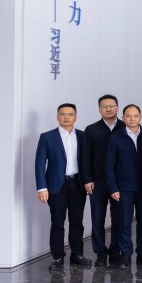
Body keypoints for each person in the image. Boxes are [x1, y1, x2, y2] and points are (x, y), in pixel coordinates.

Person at [35, 103, 90, 271]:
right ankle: (57, 256)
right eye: (63, 114)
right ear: (57, 116)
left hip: (78, 184)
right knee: (57, 222)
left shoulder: (82, 136)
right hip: (56, 186)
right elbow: (39, 163)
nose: (66, 117)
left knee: (77, 221)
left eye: (70, 114)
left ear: (76, 117)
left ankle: (77, 254)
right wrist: (42, 187)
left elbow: (88, 161)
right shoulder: (47, 137)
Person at [80, 94, 125, 267]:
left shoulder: (124, 127)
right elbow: (85, 156)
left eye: (111, 106)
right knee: (97, 220)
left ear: (117, 107)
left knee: (118, 219)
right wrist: (87, 179)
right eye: (104, 106)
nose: (108, 109)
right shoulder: (91, 130)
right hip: (97, 182)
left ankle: (115, 252)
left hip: (120, 182)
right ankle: (100, 253)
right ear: (99, 109)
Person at [106, 104, 142, 270]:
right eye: (128, 116)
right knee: (124, 222)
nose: (132, 119)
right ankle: (125, 254)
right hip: (123, 188)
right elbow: (109, 166)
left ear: (140, 117)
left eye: (135, 115)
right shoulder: (115, 138)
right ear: (123, 118)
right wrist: (113, 188)